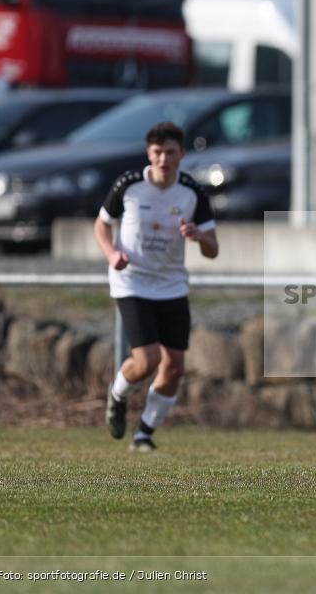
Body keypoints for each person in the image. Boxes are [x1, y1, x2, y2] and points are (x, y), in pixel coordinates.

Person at [94, 122, 218, 451]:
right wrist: (111, 253)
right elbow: (102, 225)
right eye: (158, 152)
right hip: (131, 282)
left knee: (174, 366)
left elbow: (213, 249)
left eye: (171, 152)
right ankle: (118, 394)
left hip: (172, 286)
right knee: (147, 360)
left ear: (181, 155)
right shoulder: (129, 185)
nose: (164, 158)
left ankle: (144, 433)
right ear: (149, 154)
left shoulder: (192, 192)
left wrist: (198, 236)